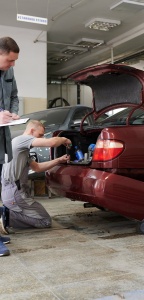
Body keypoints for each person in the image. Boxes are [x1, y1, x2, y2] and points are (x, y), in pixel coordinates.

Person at [0, 120, 71, 236]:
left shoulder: (21, 150)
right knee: (45, 221)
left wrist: (59, 160)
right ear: (32, 131)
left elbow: (37, 167)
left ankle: (7, 215)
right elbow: (52, 142)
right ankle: (6, 215)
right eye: (41, 134)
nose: (42, 137)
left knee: (41, 219)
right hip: (15, 193)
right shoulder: (21, 140)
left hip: (11, 192)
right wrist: (64, 139)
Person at [0, 36, 21, 256]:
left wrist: (14, 113)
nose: (12, 65)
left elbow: (14, 96)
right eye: (9, 60)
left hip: (1, 140)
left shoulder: (9, 72)